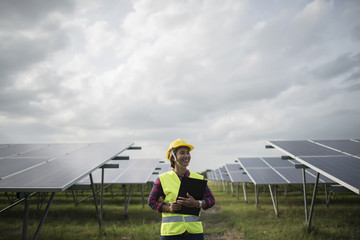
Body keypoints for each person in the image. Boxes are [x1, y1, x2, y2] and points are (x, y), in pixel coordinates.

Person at [148, 138, 215, 240]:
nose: (186, 156)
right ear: (173, 157)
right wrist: (168, 208)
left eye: (188, 153)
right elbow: (151, 201)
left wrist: (197, 203)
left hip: (194, 232)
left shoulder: (198, 178)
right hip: (171, 233)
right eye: (182, 153)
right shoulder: (162, 179)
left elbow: (211, 200)